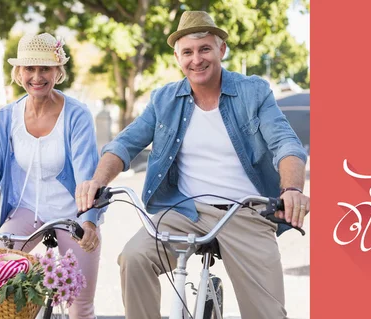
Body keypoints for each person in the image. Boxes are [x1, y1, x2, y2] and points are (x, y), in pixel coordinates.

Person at [76, 11, 310, 319]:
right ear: (177, 56)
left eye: (204, 49)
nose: (196, 59)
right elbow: (124, 144)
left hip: (245, 212)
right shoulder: (164, 99)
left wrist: (291, 188)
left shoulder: (253, 92)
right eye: (187, 52)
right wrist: (97, 181)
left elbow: (285, 144)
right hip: (182, 211)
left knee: (267, 313)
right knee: (133, 259)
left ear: (221, 50)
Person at [0, 33, 103, 319]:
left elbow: (87, 176)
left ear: (57, 72)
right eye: (30, 68)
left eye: (45, 69)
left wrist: (88, 222)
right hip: (26, 211)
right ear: (19, 73)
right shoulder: (6, 118)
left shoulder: (77, 115)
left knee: (80, 303)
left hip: (72, 214)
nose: (37, 77)